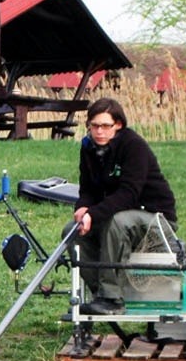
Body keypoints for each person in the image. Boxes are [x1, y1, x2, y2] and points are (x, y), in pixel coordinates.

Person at [64, 98, 178, 315]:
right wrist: (83, 207)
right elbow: (87, 189)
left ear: (118, 125)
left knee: (118, 221)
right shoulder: (88, 148)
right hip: (117, 216)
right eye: (94, 126)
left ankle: (112, 298)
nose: (99, 132)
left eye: (105, 126)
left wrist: (94, 214)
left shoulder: (134, 146)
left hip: (155, 218)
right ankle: (101, 294)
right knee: (71, 230)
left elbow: (128, 194)